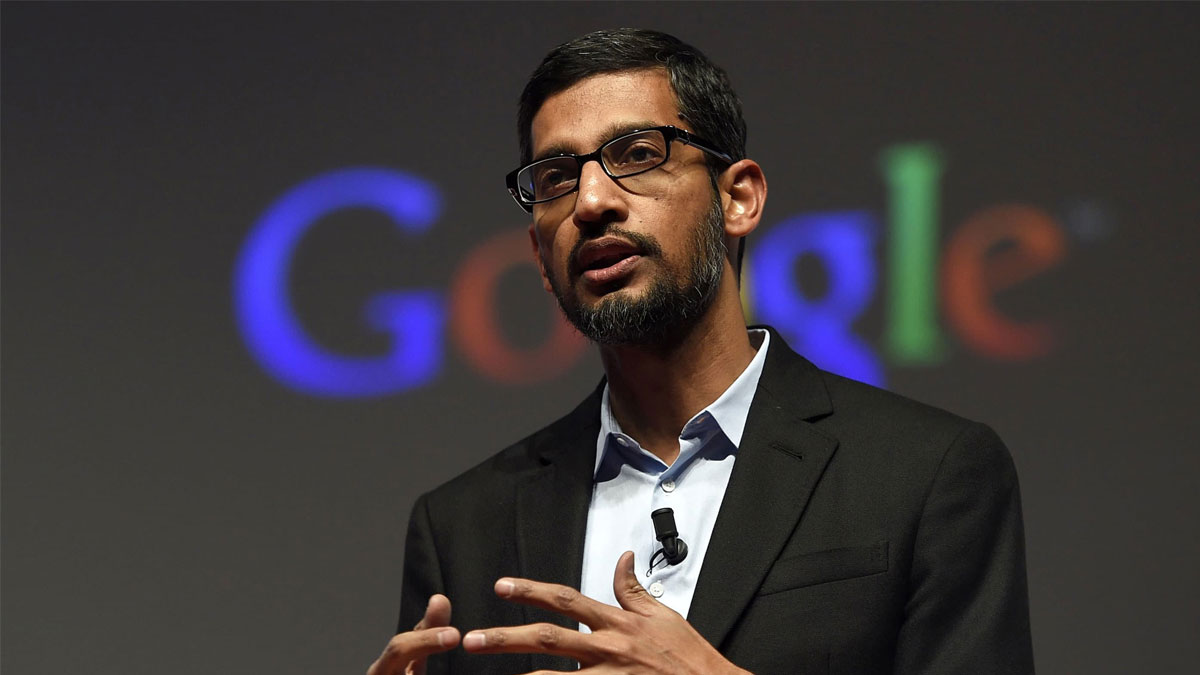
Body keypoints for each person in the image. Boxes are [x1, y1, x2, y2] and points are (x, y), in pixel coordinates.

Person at [368, 28, 1034, 675]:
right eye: (557, 177)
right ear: (540, 257)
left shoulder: (925, 472)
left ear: (737, 198)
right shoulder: (462, 525)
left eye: (636, 154)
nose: (591, 201)